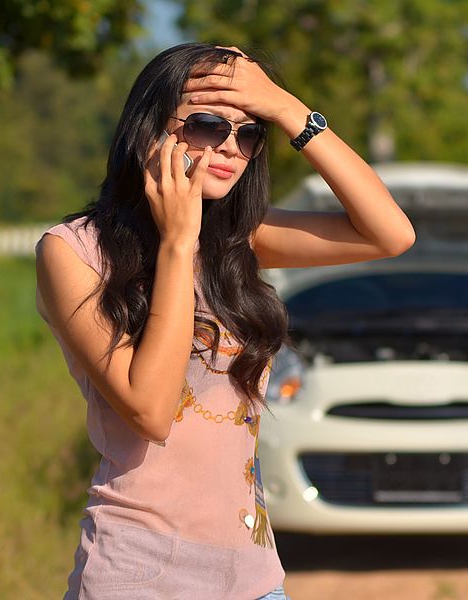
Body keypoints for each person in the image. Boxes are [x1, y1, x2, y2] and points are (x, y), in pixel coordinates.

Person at [34, 42, 416, 600]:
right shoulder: (73, 252)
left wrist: (288, 110)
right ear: (149, 130)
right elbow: (150, 410)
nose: (231, 147)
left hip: (256, 580)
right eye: (210, 124)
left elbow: (391, 234)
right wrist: (176, 244)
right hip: (137, 576)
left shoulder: (237, 239)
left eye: (249, 133)